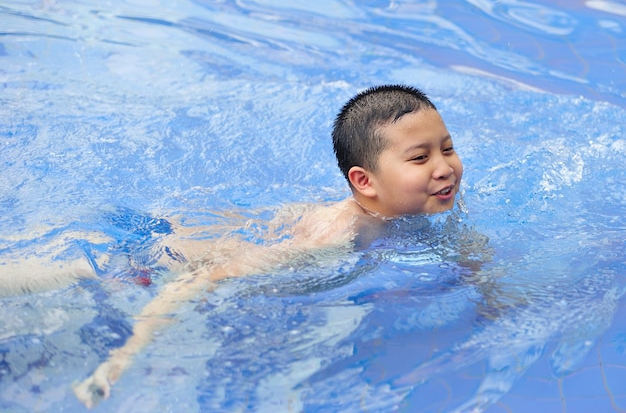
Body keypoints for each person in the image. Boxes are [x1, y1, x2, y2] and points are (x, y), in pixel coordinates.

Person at [70, 84, 462, 407]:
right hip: (158, 259)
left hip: (210, 236)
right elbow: (208, 276)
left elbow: (467, 248)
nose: (444, 167)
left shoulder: (427, 202)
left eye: (446, 148)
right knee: (66, 278)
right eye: (420, 158)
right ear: (364, 182)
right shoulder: (334, 239)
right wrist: (123, 358)